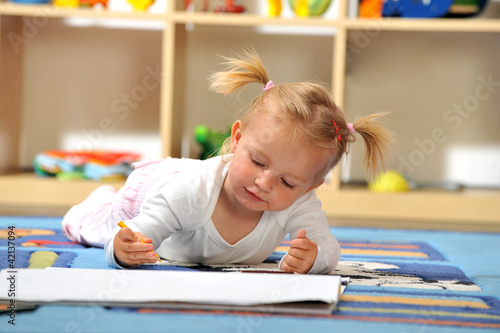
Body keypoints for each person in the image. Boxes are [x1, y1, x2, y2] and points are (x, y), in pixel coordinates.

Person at [61, 48, 393, 274]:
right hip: (150, 192)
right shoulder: (188, 193)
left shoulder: (300, 202)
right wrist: (122, 249)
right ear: (235, 139)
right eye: (258, 162)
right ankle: (99, 201)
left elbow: (328, 246)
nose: (264, 183)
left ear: (311, 185)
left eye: (288, 182)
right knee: (94, 228)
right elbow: (136, 231)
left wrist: (315, 257)